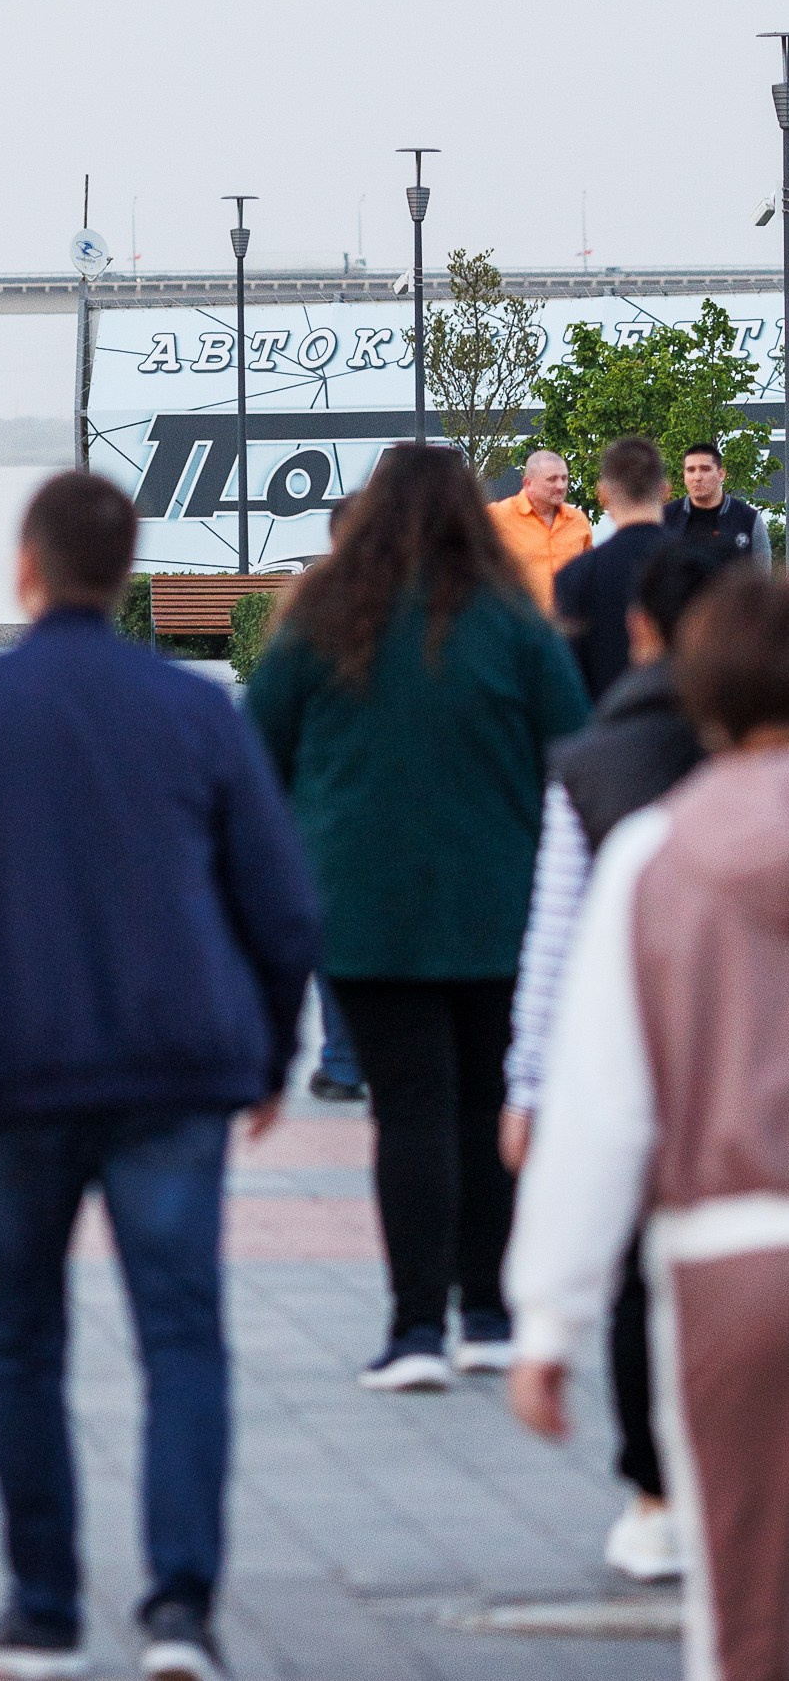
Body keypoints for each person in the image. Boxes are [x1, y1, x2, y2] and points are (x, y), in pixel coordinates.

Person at [0, 469, 318, 1681]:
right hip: (175, 1072)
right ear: (124, 572)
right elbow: (279, 901)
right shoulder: (194, 713)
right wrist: (272, 1052)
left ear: (23, 566)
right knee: (181, 1335)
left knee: (20, 1337)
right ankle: (178, 1609)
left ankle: (43, 1606)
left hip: (8, 1075)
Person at [245, 442, 586, 1389]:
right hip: (498, 911)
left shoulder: (320, 614)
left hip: (363, 913)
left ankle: (412, 1334)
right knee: (485, 1108)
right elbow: (577, 753)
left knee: (409, 1116)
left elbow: (253, 755)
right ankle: (487, 1316)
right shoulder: (514, 622)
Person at [505, 568, 789, 1681]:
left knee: (739, 1591)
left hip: (723, 1257)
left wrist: (545, 1318)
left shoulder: (654, 856)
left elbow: (601, 1105)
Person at [501, 534, 720, 1584]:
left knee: (644, 1279)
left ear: (637, 630)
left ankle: (650, 1493)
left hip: (642, 1067)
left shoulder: (593, 765)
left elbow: (552, 935)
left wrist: (529, 1080)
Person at [551, 436, 671, 705]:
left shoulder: (576, 577)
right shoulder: (712, 564)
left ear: (602, 493)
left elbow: (568, 683)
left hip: (606, 728)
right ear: (665, 490)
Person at [485, 450, 595, 614]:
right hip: (518, 626)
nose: (561, 486)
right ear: (528, 483)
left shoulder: (578, 521)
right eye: (552, 479)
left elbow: (589, 574)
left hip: (569, 628)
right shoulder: (497, 516)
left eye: (564, 478)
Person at [665, 441, 772, 571]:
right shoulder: (666, 517)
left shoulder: (748, 519)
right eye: (690, 470)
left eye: (705, 469)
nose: (697, 477)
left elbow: (762, 577)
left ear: (721, 474)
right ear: (684, 476)